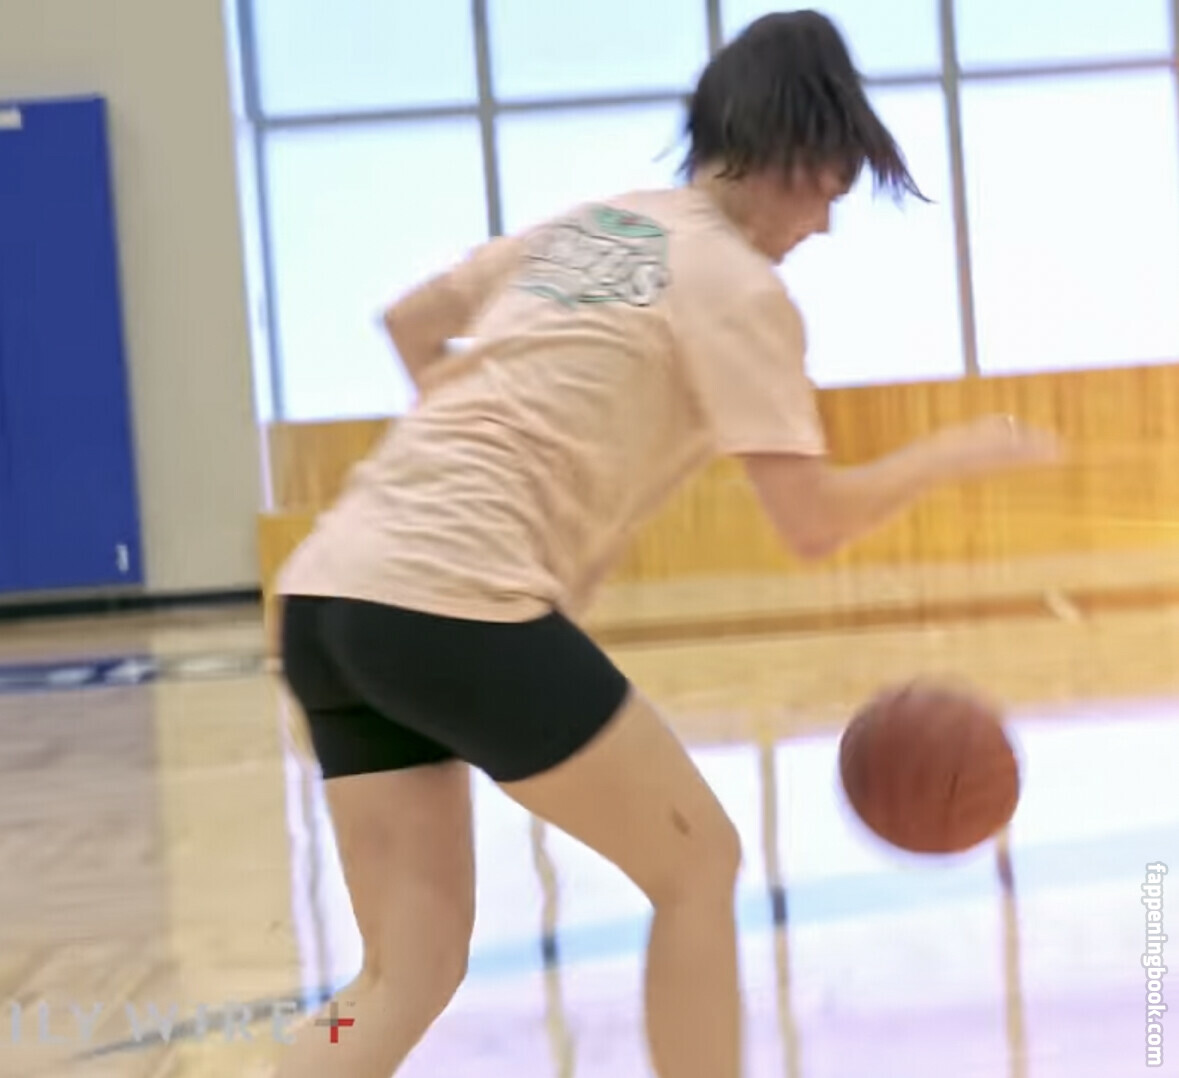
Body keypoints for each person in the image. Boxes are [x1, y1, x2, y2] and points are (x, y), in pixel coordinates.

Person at [269, 11, 1060, 1077]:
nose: (826, 224)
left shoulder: (604, 226)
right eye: (830, 188)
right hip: (451, 599)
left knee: (401, 972)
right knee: (699, 865)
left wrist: (494, 458)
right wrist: (951, 454)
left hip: (331, 596)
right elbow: (812, 522)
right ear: (789, 153)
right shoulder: (737, 286)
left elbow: (412, 322)